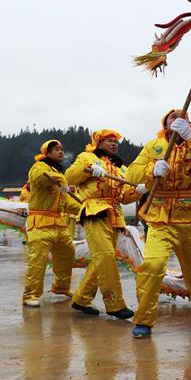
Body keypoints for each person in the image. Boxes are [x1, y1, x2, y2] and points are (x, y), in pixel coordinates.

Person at [127, 109, 191, 339]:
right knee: (153, 265)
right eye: (173, 117)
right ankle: (143, 320)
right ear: (165, 123)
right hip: (161, 215)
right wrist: (151, 169)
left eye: (184, 117)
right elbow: (132, 173)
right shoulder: (154, 146)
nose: (179, 119)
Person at [66, 129, 143, 319]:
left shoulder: (121, 169)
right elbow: (69, 176)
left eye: (116, 141)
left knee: (104, 258)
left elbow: (124, 197)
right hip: (94, 210)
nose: (114, 144)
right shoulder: (86, 156)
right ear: (99, 143)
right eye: (109, 141)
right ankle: (114, 304)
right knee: (106, 256)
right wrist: (89, 169)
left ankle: (82, 298)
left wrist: (138, 192)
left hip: (115, 216)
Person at [22, 139, 79, 307]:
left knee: (68, 254)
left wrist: (86, 210)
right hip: (40, 222)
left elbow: (67, 202)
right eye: (57, 149)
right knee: (37, 260)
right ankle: (30, 295)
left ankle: (61, 287)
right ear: (47, 153)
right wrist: (60, 179)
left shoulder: (58, 175)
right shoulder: (39, 166)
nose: (61, 152)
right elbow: (39, 179)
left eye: (62, 149)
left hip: (59, 223)